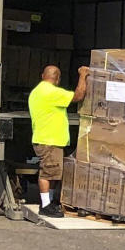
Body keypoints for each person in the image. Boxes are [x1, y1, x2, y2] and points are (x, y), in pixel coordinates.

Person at [28, 64, 90, 218]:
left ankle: (49, 202)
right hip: (49, 140)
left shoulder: (36, 92)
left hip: (46, 139)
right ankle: (45, 205)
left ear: (43, 76)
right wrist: (83, 75)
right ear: (57, 79)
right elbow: (78, 96)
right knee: (47, 173)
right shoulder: (51, 92)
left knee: (53, 173)